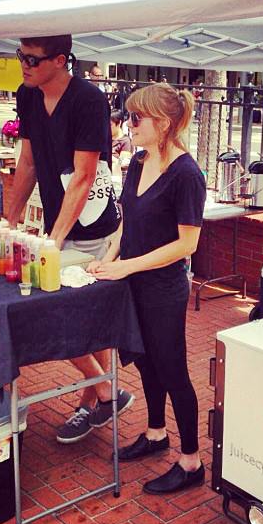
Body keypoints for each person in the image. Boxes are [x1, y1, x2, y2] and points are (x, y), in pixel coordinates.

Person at [8, 35, 134, 444]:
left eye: (32, 58)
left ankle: (99, 394)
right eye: (20, 56)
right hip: (59, 224)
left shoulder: (88, 101)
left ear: (61, 60)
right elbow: (27, 162)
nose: (24, 65)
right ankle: (102, 394)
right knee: (83, 321)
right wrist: (9, 220)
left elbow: (82, 176)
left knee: (64, 316)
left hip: (94, 226)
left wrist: (54, 239)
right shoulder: (27, 96)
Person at [89, 83, 207, 495]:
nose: (128, 123)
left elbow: (186, 244)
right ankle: (157, 434)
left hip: (162, 287)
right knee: (144, 363)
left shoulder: (187, 174)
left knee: (173, 370)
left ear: (164, 123)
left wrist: (126, 266)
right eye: (127, 115)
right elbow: (129, 222)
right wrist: (110, 255)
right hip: (132, 282)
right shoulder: (138, 162)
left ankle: (192, 461)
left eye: (136, 117)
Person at [110, 110, 132, 177]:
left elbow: (123, 164)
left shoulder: (125, 141)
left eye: (110, 125)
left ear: (119, 123)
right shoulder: (105, 138)